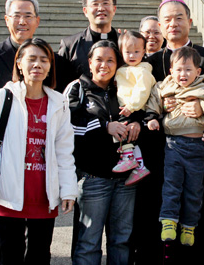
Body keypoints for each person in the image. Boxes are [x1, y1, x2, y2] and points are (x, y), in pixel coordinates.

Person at [0, 38, 78, 265]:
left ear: (50, 66)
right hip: (7, 195)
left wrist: (68, 190)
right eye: (31, 59)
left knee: (39, 256)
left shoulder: (58, 102)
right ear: (19, 63)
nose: (37, 65)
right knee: (9, 256)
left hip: (43, 195)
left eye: (43, 60)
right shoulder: (2, 97)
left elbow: (64, 151)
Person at [66, 40, 142, 265]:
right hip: (93, 177)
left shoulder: (125, 87)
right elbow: (66, 125)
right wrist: (103, 126)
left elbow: (140, 110)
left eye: (111, 60)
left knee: (121, 240)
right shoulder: (77, 88)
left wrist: (138, 123)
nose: (104, 65)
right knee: (89, 241)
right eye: (99, 59)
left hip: (126, 179)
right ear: (90, 62)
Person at [145, 47, 204, 247]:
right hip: (173, 145)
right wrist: (153, 116)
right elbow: (154, 99)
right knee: (171, 185)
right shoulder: (165, 86)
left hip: (197, 146)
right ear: (171, 70)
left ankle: (189, 225)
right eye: (179, 70)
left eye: (188, 70)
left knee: (193, 189)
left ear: (198, 71)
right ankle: (169, 220)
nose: (183, 74)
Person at [0, 0, 71, 109]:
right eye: (16, 16)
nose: (22, 22)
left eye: (28, 16)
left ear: (37, 21)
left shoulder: (54, 60)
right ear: (7, 20)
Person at [113, 31, 157, 185]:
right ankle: (139, 164)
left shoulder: (142, 69)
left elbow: (142, 91)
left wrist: (131, 107)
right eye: (128, 52)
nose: (132, 55)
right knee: (132, 138)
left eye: (137, 52)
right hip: (126, 107)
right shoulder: (123, 69)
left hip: (134, 108)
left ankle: (128, 158)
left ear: (144, 52)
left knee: (125, 132)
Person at [59, 0, 119, 78]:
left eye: (105, 3)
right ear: (85, 11)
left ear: (114, 9)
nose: (101, 8)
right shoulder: (70, 45)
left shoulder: (125, 44)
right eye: (95, 4)